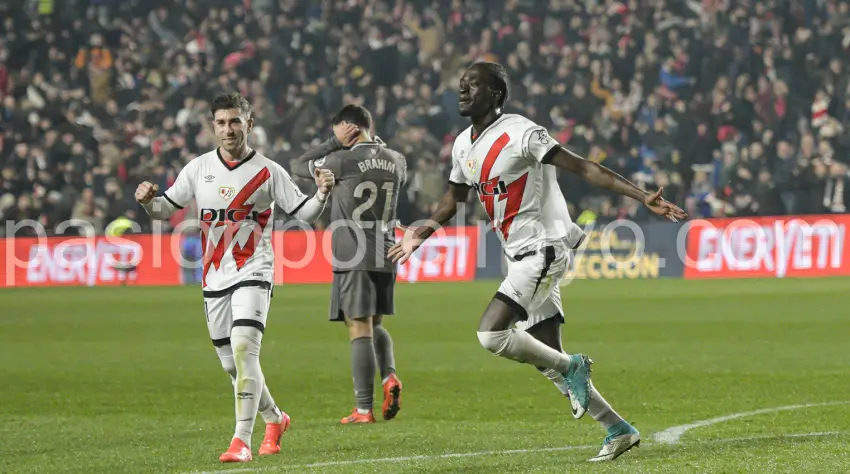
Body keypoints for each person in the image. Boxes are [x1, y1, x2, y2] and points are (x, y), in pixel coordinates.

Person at [389, 63, 687, 462]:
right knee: (547, 357)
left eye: (473, 85)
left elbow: (584, 167)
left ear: (495, 94)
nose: (462, 90)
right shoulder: (463, 145)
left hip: (543, 250)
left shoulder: (521, 133)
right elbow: (453, 199)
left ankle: (575, 367)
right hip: (519, 257)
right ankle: (617, 428)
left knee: (491, 335)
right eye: (461, 84)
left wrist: (641, 195)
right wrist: (419, 232)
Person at [135, 92, 336, 463]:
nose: (229, 129)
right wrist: (148, 200)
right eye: (222, 123)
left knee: (245, 349)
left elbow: (303, 213)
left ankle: (240, 441)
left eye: (235, 121)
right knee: (232, 364)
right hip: (213, 276)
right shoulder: (197, 169)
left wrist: (322, 193)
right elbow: (165, 208)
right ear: (213, 126)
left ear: (249, 123)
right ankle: (275, 419)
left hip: (254, 271)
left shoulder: (269, 171)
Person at [291, 105, 406, 424]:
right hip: (387, 250)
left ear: (349, 128)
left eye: (339, 129)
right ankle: (389, 377)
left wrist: (331, 143)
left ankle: (364, 409)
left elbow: (297, 165)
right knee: (375, 324)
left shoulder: (339, 160)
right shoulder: (398, 160)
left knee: (358, 328)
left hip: (352, 251)